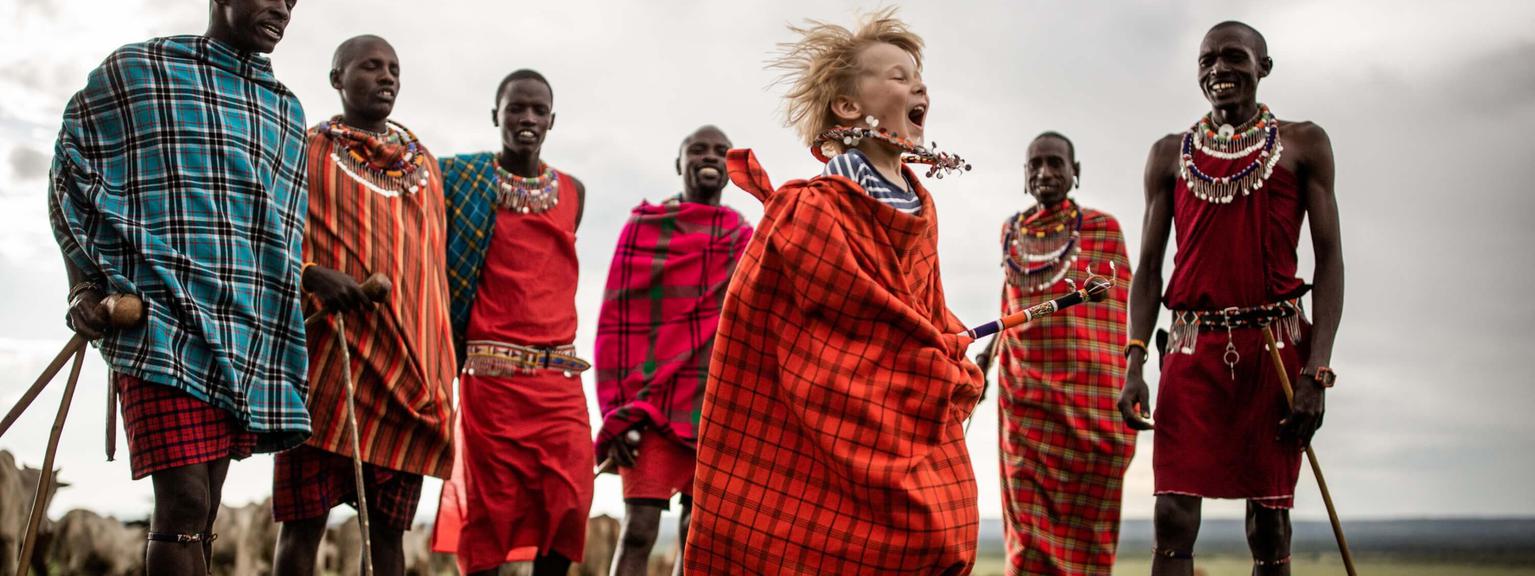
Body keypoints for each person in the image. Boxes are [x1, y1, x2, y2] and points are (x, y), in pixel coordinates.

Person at [686, 8, 984, 575]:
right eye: (898, 77)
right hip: (840, 416)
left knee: (948, 528)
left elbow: (926, 307)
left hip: (911, 410)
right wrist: (926, 356)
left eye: (920, 79)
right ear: (848, 106)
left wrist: (952, 347)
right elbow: (846, 327)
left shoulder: (921, 204)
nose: (919, 87)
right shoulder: (812, 207)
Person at [47, 1, 308, 574]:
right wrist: (82, 287)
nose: (283, 7)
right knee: (184, 501)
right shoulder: (139, 73)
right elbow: (68, 171)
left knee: (206, 506)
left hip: (241, 334)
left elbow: (280, 239)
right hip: (158, 322)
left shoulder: (284, 110)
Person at [1116, 21, 1344, 576]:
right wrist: (1135, 362)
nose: (1219, 69)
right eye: (1207, 60)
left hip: (1275, 351)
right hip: (1192, 349)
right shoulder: (1168, 154)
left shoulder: (1305, 143)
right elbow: (1149, 269)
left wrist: (1316, 373)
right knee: (1171, 514)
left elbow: (1330, 261)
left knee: (1270, 523)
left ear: (1263, 67)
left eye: (1234, 57)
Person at [270, 35, 456, 576]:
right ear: (337, 78)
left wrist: (439, 365)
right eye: (371, 66)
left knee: (389, 534)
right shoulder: (304, 149)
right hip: (329, 366)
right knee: (303, 525)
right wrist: (310, 274)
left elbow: (431, 270)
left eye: (393, 68)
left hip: (409, 374)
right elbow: (270, 234)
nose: (386, 76)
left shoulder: (425, 167)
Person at [430, 69, 592, 576]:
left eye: (538, 110)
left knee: (571, 502)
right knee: (491, 514)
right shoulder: (462, 182)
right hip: (491, 384)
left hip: (558, 383)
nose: (527, 118)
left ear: (552, 120)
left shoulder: (574, 192)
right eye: (516, 108)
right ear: (495, 115)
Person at [974, 132, 1136, 576]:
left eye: (1055, 164)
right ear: (1025, 175)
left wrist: (1134, 375)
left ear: (1075, 172)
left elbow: (1121, 316)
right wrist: (986, 360)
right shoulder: (1011, 232)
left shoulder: (1103, 230)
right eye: (1035, 165)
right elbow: (1010, 305)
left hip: (1091, 404)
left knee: (1089, 529)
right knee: (1027, 531)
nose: (1044, 173)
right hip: (1026, 404)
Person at [595, 125, 753, 576]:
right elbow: (614, 326)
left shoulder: (743, 237)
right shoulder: (644, 229)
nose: (710, 157)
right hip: (649, 409)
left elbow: (756, 322)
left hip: (715, 407)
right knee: (638, 529)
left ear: (731, 168)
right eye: (697, 150)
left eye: (721, 151)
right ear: (678, 163)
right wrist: (615, 412)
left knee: (697, 534)